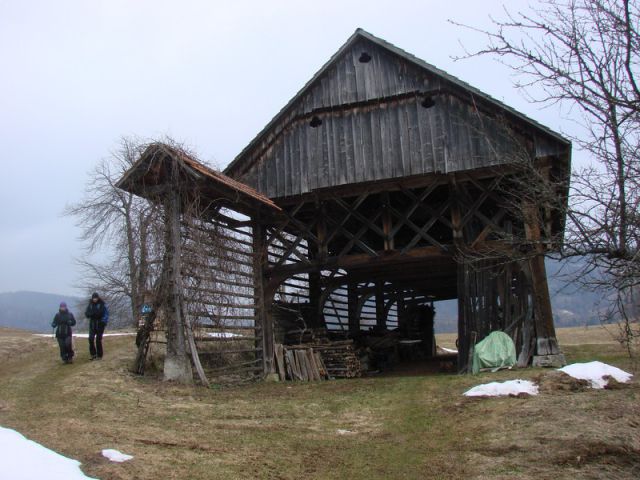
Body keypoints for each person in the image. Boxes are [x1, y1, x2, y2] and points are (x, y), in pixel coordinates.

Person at [85, 292, 109, 360]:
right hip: (92, 324)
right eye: (93, 298)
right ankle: (93, 354)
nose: (94, 299)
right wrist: (90, 314)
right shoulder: (90, 305)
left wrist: (103, 322)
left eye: (95, 298)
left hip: (100, 324)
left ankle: (99, 355)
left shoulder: (102, 305)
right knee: (90, 339)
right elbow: (87, 313)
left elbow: (106, 314)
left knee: (98, 340)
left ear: (98, 298)